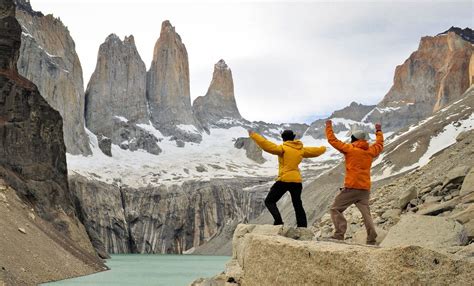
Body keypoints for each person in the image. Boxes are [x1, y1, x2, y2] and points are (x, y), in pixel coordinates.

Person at [248, 129, 326, 227]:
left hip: (284, 180)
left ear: (283, 138)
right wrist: (323, 148)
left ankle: (278, 222)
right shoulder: (300, 149)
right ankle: (302, 227)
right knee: (297, 204)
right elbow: (315, 151)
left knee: (269, 201)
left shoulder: (282, 148)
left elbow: (266, 145)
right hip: (297, 181)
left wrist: (254, 135)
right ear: (293, 137)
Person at [325, 120, 383, 245]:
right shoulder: (370, 151)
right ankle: (371, 238)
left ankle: (339, 234)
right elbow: (380, 144)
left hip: (351, 187)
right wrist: (378, 131)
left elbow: (333, 140)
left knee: (335, 209)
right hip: (365, 188)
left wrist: (328, 126)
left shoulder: (350, 149)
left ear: (353, 138)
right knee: (366, 214)